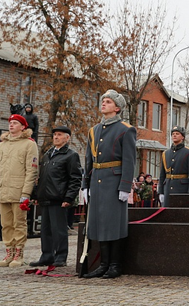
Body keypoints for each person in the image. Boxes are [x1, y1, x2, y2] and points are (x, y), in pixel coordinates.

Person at [81, 90, 136, 279]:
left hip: (114, 182)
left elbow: (129, 161)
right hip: (97, 180)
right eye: (102, 101)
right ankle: (103, 264)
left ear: (117, 107)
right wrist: (85, 184)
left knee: (114, 224)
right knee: (99, 224)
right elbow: (88, 159)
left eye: (108, 101)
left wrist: (125, 186)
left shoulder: (125, 129)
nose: (103, 104)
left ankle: (115, 265)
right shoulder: (94, 130)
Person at [29, 126, 82, 267]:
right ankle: (47, 255)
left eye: (59, 135)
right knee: (45, 229)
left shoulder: (71, 155)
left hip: (59, 198)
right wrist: (36, 194)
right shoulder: (47, 154)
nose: (56, 137)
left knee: (59, 230)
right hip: (45, 197)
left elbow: (75, 178)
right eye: (54, 135)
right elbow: (42, 177)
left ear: (67, 137)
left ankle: (60, 256)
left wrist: (69, 198)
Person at [0, 114, 39, 267]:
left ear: (23, 127)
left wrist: (26, 193)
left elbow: (31, 171)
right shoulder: (2, 144)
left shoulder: (29, 144)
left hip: (19, 190)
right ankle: (8, 251)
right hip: (3, 190)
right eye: (10, 123)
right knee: (6, 224)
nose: (11, 125)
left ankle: (19, 253)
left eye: (15, 123)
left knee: (19, 223)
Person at [158, 126, 189, 207]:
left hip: (182, 189)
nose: (174, 135)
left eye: (177, 134)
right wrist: (161, 191)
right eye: (173, 134)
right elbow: (162, 174)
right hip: (167, 188)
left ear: (182, 137)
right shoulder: (166, 153)